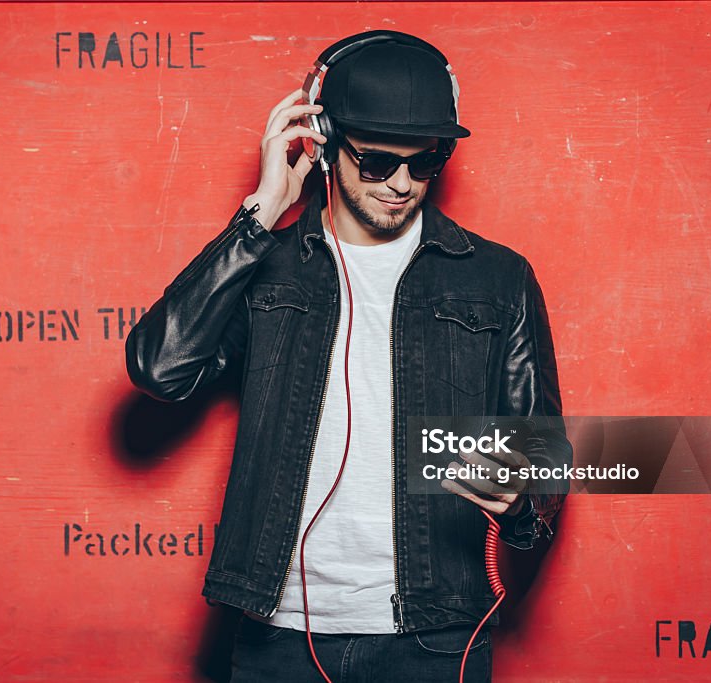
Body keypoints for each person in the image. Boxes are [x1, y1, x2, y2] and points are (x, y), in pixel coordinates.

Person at [126, 31, 572, 683]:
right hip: (280, 632)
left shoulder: (497, 278)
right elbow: (160, 368)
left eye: (424, 163)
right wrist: (259, 214)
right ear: (326, 144)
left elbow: (547, 460)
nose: (401, 183)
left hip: (437, 634)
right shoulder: (268, 264)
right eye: (377, 162)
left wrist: (522, 492)